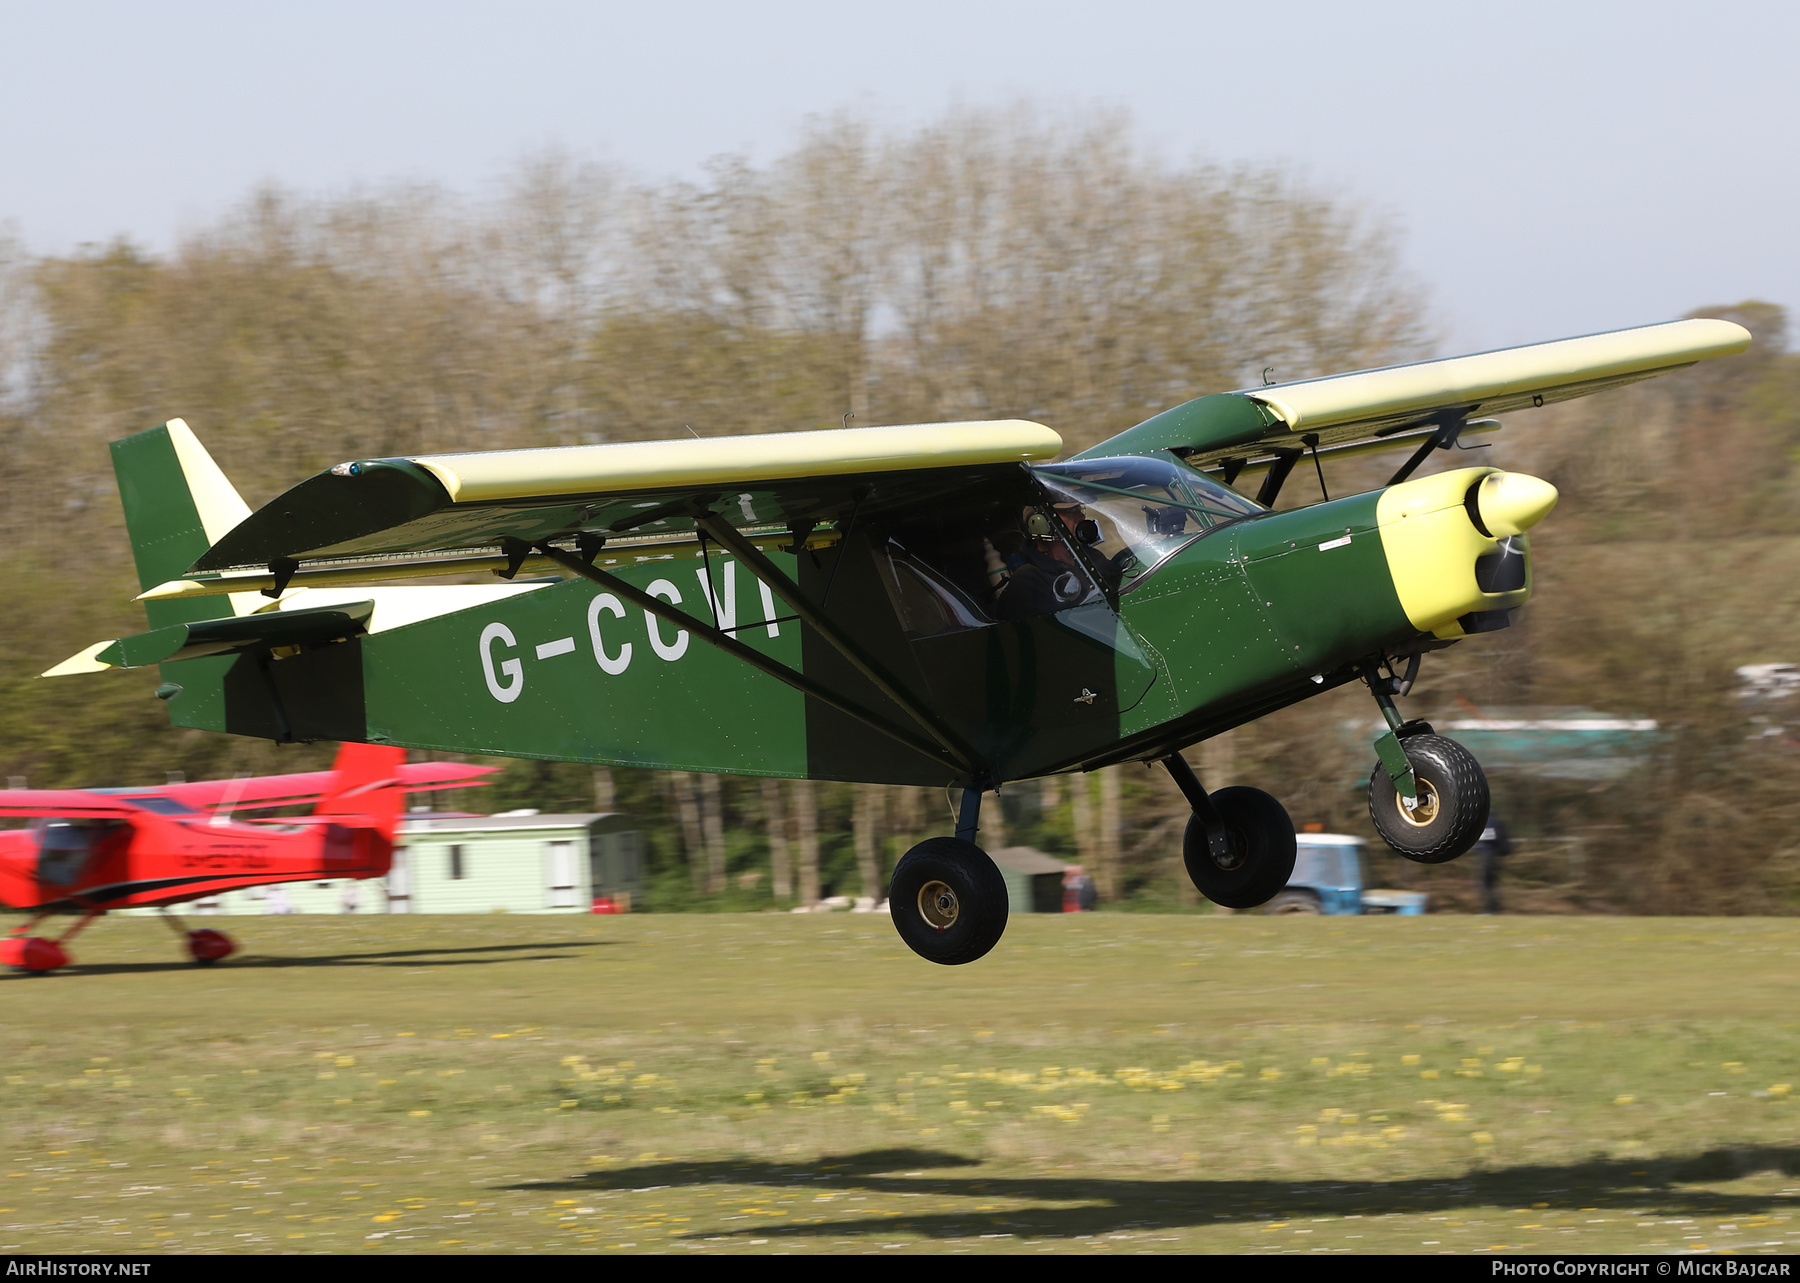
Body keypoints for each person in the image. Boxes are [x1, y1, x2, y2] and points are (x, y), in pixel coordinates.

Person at [1472, 813, 1512, 913]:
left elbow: (1488, 837)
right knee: (1489, 883)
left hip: (1487, 855)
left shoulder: (1488, 821)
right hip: (1491, 855)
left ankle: (1492, 909)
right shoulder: (1493, 820)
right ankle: (1493, 908)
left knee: (1485, 882)